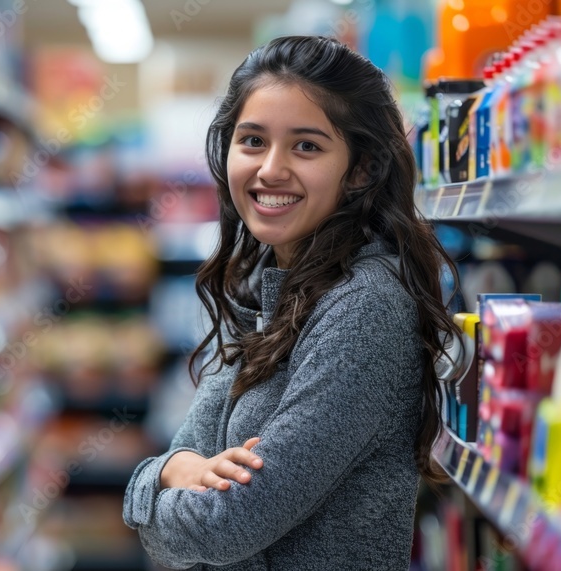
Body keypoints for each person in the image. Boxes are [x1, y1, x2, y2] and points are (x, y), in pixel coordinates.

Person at [122, 35, 460, 570]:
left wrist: (155, 484)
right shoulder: (263, 282)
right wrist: (171, 470)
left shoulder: (365, 310)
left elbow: (222, 529)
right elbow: (182, 468)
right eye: (252, 140)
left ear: (362, 169)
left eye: (306, 146)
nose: (270, 170)